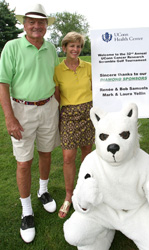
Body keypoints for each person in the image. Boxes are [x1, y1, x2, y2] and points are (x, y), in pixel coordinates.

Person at [0, 3, 60, 243]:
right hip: (21, 111)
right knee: (24, 162)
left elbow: (55, 80)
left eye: (41, 22)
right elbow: (3, 84)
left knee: (46, 153)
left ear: (46, 26)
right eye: (31, 22)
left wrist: (59, 109)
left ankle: (43, 191)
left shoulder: (51, 48)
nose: (36, 26)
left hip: (48, 108)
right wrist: (9, 117)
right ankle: (26, 210)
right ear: (24, 25)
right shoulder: (12, 47)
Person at [54, 32, 94, 219]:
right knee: (68, 157)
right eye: (72, 46)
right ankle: (69, 195)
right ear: (64, 48)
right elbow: (56, 95)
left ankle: (85, 191)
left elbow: (97, 89)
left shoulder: (89, 67)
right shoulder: (57, 70)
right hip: (69, 114)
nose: (75, 49)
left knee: (87, 155)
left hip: (88, 113)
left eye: (78, 46)